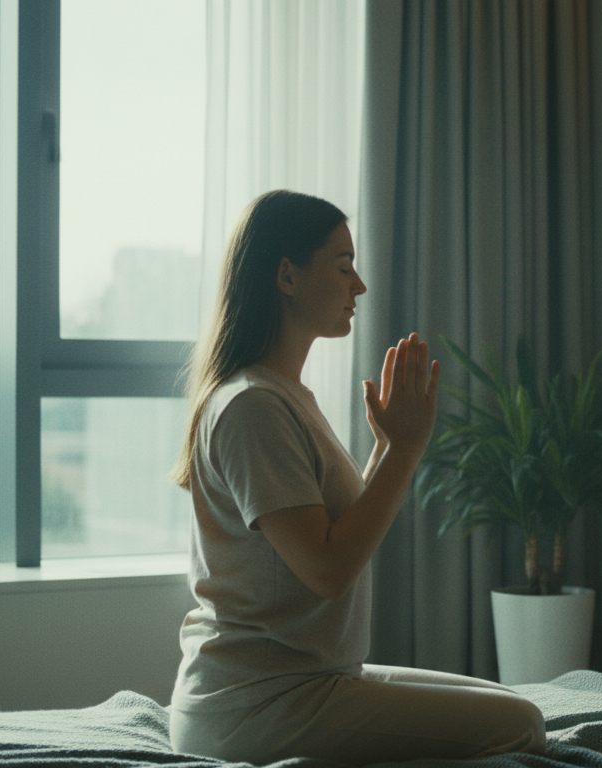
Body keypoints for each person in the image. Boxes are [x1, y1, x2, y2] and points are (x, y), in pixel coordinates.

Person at [167, 190, 545, 764]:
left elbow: (334, 532)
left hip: (307, 681)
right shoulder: (252, 406)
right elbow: (327, 569)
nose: (360, 286)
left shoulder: (282, 396)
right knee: (519, 726)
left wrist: (391, 447)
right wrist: (404, 452)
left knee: (514, 707)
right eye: (343, 267)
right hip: (254, 705)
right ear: (286, 276)